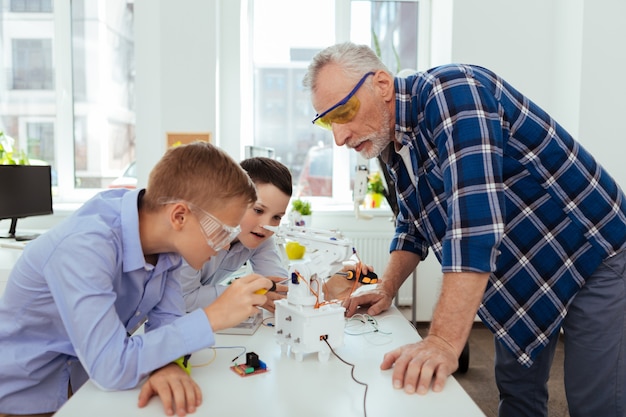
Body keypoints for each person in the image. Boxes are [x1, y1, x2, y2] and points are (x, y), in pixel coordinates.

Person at [303, 42, 626, 417]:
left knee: (596, 402)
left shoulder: (454, 91)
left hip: (592, 251)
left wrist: (442, 340)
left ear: (382, 85)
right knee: (517, 390)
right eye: (328, 121)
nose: (339, 137)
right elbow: (413, 224)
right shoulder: (392, 143)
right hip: (525, 266)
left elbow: (474, 224)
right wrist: (386, 287)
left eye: (344, 111)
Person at [0, 141, 274, 417]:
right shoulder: (86, 246)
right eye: (223, 232)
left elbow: (167, 321)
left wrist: (166, 365)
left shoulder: (164, 244)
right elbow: (111, 366)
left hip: (88, 385)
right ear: (179, 215)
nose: (225, 246)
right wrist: (213, 316)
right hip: (28, 398)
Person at [176, 157, 292, 313]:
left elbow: (278, 285)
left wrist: (309, 287)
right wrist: (244, 293)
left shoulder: (261, 238)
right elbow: (183, 298)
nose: (266, 225)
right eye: (258, 210)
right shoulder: (195, 232)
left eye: (277, 217)